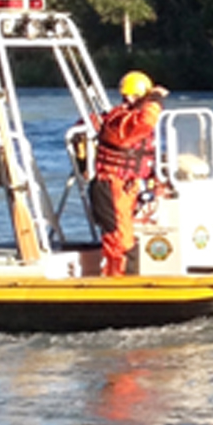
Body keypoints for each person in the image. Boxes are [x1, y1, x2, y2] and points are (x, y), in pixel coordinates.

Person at [91, 69, 168, 277]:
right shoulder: (120, 121)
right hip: (111, 185)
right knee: (120, 242)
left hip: (127, 185)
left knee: (125, 238)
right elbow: (145, 121)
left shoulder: (130, 121)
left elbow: (143, 154)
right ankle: (119, 284)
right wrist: (156, 100)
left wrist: (157, 182)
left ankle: (125, 278)